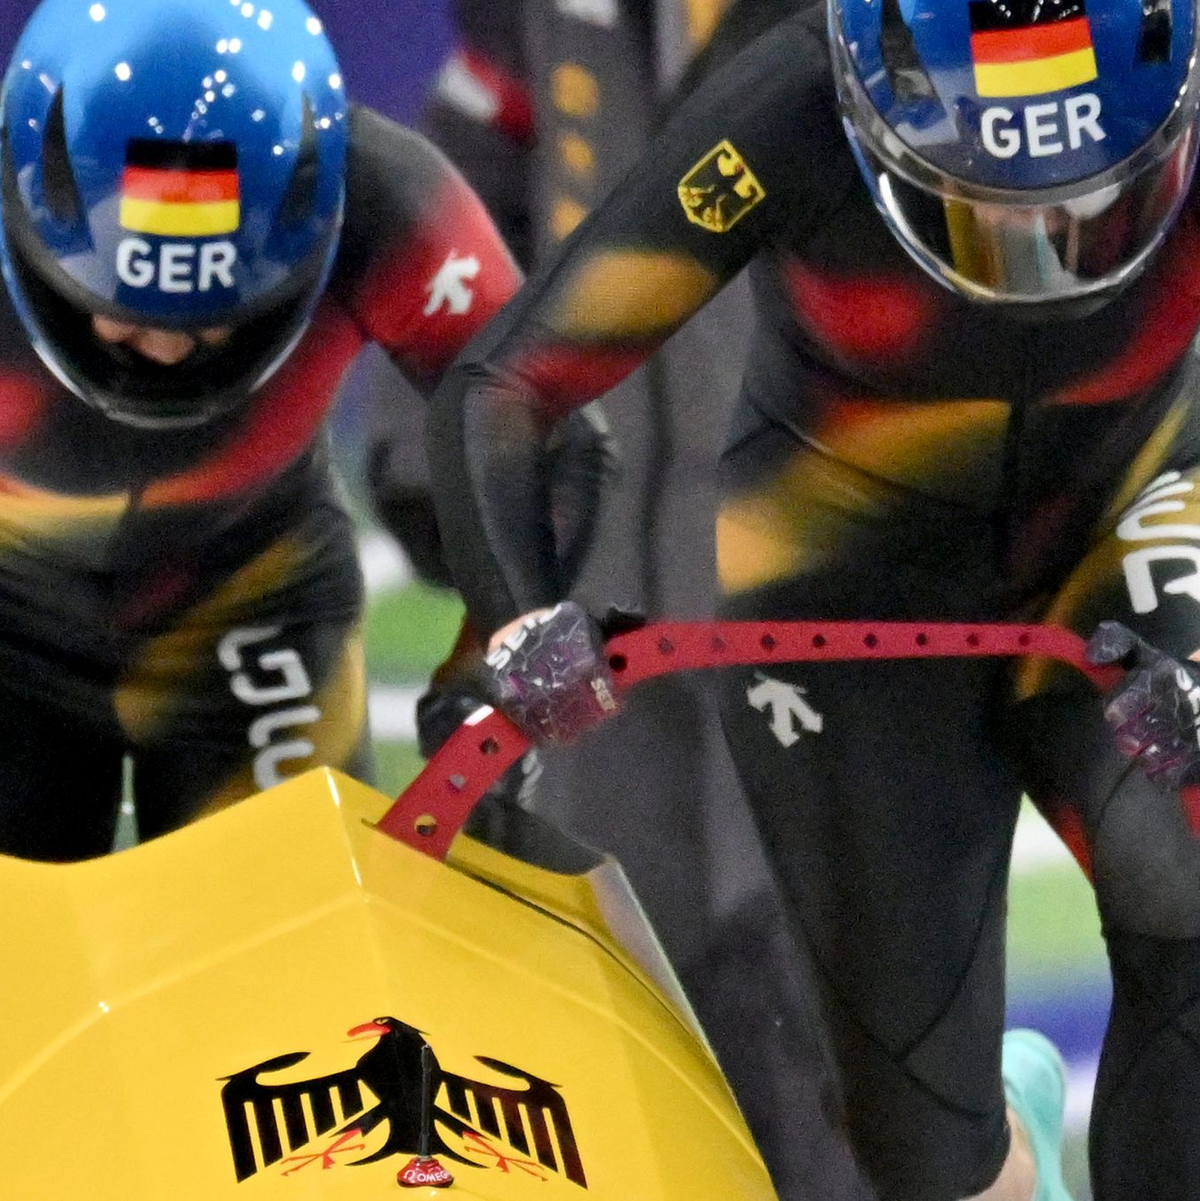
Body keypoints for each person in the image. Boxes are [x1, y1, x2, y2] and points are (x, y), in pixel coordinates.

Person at [426, 0, 1200, 1195]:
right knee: (925, 1158)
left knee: (1182, 876)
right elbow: (510, 379)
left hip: (1132, 504)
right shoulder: (789, 105)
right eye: (977, 198)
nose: (1035, 235)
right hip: (848, 569)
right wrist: (518, 617)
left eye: (1092, 200)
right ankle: (1001, 1141)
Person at [0, 0, 540, 862]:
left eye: (216, 312)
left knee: (291, 984)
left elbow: (550, 426)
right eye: (120, 308)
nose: (168, 346)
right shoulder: (385, 197)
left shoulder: (384, 199)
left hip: (256, 609)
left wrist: (497, 653)